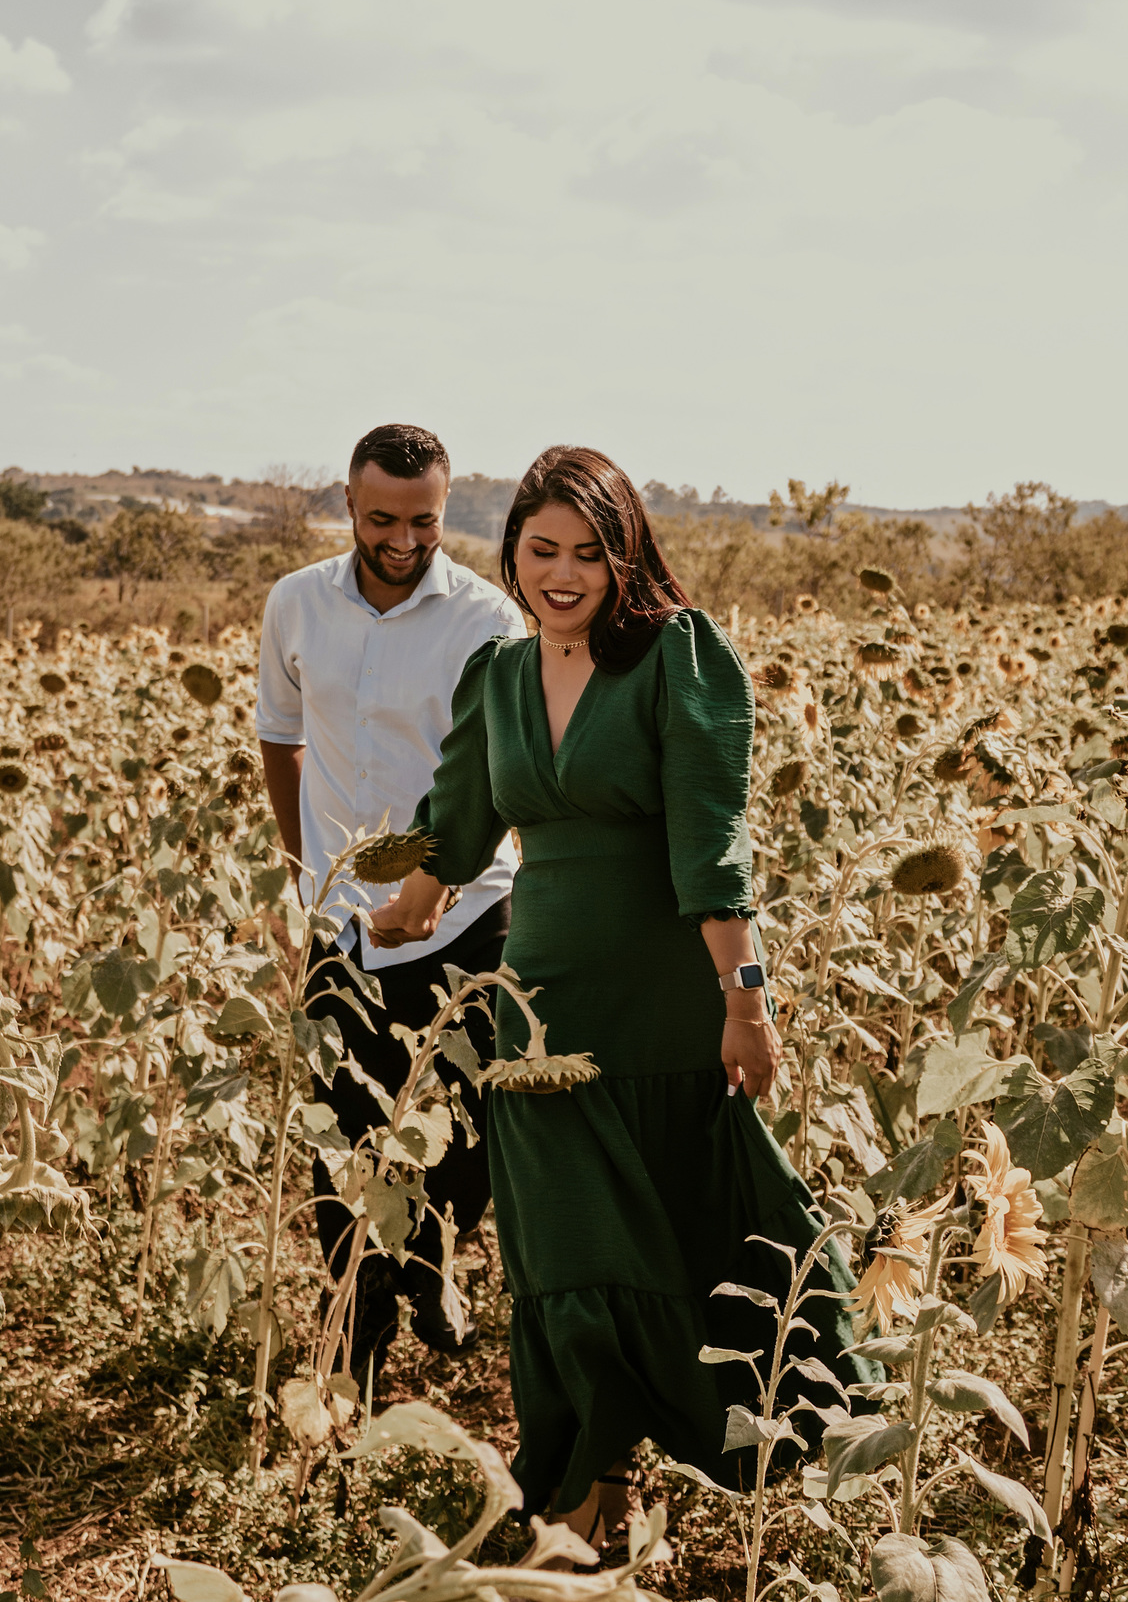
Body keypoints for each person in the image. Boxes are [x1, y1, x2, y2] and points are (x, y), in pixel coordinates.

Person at [369, 445, 873, 1543]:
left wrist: (745, 1000)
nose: (560, 572)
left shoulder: (677, 659)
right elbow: (458, 821)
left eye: (587, 553)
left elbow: (711, 846)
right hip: (538, 1008)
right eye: (540, 549)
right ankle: (581, 1484)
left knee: (677, 1237)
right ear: (512, 552)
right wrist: (402, 905)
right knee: (562, 1255)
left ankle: (614, 1487)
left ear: (624, 553)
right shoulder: (497, 674)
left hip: (662, 1004)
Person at [255, 423, 525, 1369]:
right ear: (348, 506)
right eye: (383, 520)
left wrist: (434, 881)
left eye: (425, 521)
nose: (404, 541)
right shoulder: (295, 605)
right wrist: (302, 873)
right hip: (341, 915)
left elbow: (495, 771)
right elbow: (279, 736)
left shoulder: (489, 619)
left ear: (446, 509)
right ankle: (358, 1311)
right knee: (342, 1126)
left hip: (466, 909)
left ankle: (435, 1257)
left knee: (473, 1121)